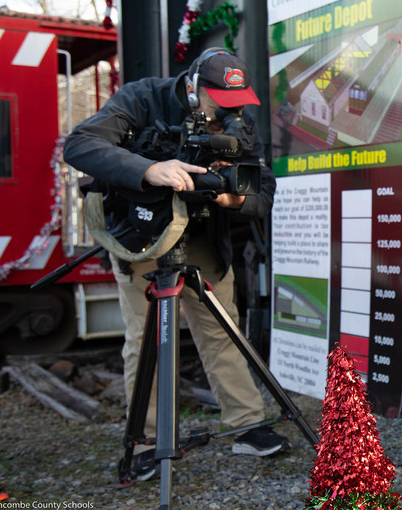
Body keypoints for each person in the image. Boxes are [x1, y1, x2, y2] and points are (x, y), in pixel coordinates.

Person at [63, 48, 289, 480]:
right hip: (142, 236)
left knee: (222, 330)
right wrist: (150, 170)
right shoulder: (142, 98)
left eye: (237, 102)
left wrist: (232, 199)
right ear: (192, 87)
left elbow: (262, 192)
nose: (230, 111)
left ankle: (247, 425)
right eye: (220, 101)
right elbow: (79, 145)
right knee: (147, 338)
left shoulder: (239, 119)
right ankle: (148, 441)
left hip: (203, 236)